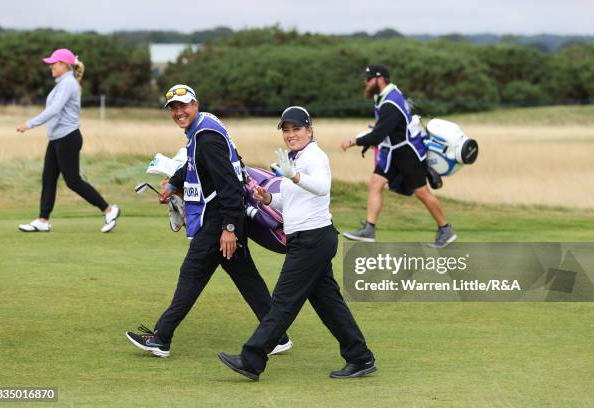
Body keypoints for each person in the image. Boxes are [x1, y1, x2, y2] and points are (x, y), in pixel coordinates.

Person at [125, 84, 291, 358]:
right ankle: (278, 336)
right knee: (246, 277)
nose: (179, 112)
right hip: (225, 215)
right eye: (173, 108)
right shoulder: (204, 126)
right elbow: (193, 163)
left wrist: (228, 229)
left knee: (191, 274)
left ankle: (161, 337)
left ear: (195, 104)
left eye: (183, 106)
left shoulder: (206, 139)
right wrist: (174, 183)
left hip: (220, 218)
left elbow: (231, 188)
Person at [218, 107, 376, 381]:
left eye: (297, 129)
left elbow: (322, 186)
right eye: (286, 130)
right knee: (329, 304)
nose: (291, 135)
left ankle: (252, 359)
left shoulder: (315, 156)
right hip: (309, 239)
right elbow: (291, 200)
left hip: (312, 239)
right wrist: (268, 198)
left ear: (309, 130)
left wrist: (293, 175)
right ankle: (360, 357)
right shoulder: (296, 159)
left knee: (283, 302)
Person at [340, 64, 457, 248]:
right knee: (376, 182)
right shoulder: (387, 96)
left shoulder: (390, 103)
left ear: (380, 79)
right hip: (394, 152)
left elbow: (379, 134)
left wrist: (354, 141)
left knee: (422, 192)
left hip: (408, 153)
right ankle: (369, 230)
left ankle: (445, 229)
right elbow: (384, 131)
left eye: (369, 79)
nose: (366, 82)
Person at [16, 48, 119, 233]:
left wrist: (29, 124)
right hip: (57, 139)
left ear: (64, 65)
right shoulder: (62, 83)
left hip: (67, 138)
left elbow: (54, 109)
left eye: (53, 64)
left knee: (73, 181)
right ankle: (42, 220)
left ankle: (109, 209)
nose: (51, 67)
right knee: (48, 179)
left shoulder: (68, 83)